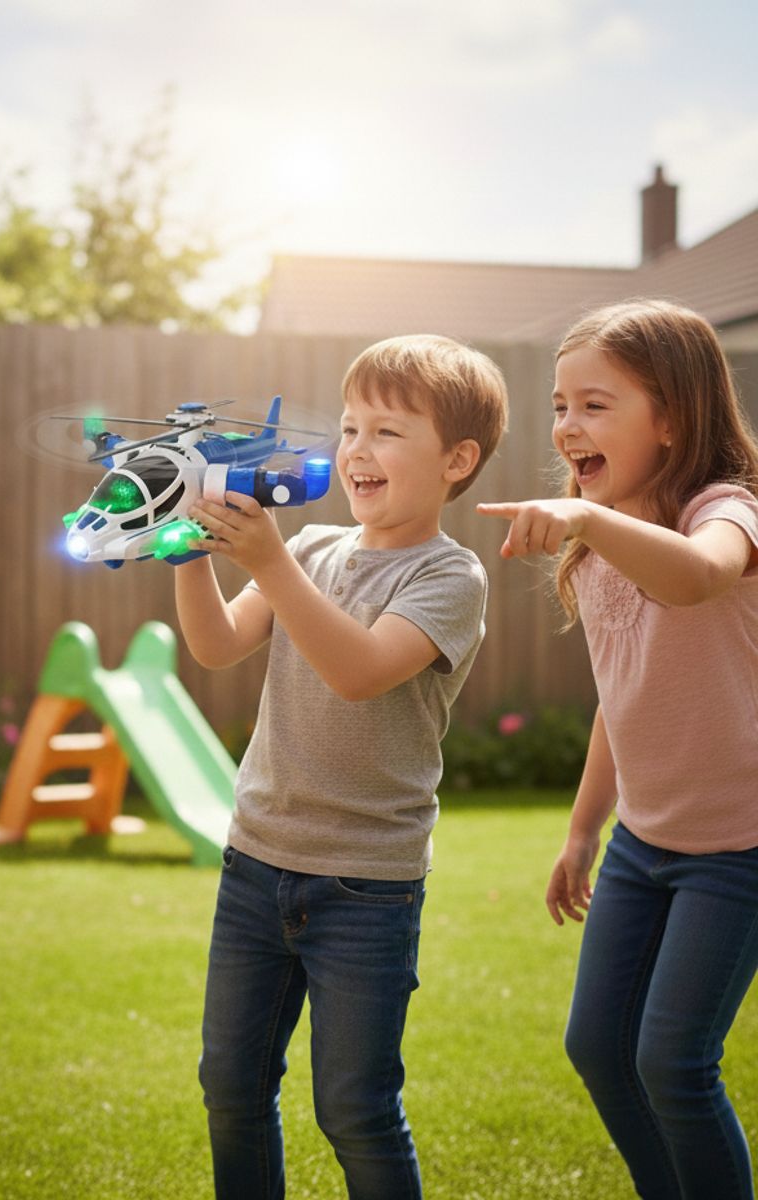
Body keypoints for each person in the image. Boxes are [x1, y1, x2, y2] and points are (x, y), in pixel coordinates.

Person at [176, 334, 508, 1199]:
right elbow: (214, 647)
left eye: (389, 432)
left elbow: (359, 672)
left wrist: (267, 559)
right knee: (231, 1088)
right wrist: (186, 552)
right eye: (351, 427)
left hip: (366, 885)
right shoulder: (314, 548)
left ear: (457, 460)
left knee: (355, 1108)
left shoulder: (451, 576)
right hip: (256, 865)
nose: (357, 450)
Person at [478, 299, 758, 1200]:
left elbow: (703, 575)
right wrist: (582, 830)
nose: (567, 427)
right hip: (645, 843)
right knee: (599, 1049)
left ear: (672, 416)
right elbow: (622, 697)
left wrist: (589, 522)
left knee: (674, 1063)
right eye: (561, 407)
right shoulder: (596, 535)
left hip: (739, 848)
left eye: (594, 405)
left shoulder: (727, 510)